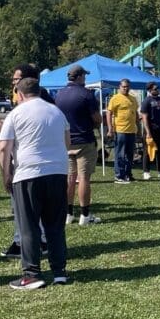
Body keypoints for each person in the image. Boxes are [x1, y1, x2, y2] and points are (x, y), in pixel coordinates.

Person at [0, 77, 70, 289]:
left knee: (29, 226)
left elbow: (4, 148)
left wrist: (6, 174)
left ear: (19, 94)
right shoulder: (56, 112)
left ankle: (31, 274)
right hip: (57, 172)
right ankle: (59, 271)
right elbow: (67, 142)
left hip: (28, 174)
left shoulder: (16, 114)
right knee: (55, 225)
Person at [55, 64, 103, 226]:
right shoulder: (87, 95)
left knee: (70, 178)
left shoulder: (59, 95)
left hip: (66, 141)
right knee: (83, 178)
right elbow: (97, 119)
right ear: (80, 76)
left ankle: (68, 214)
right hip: (84, 140)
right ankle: (85, 215)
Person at [106, 79, 139, 184]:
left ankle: (128, 175)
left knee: (130, 155)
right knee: (120, 154)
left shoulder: (133, 99)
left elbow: (136, 114)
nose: (126, 88)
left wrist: (138, 128)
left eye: (127, 86)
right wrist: (110, 129)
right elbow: (109, 113)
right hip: (120, 130)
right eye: (124, 86)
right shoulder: (115, 99)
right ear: (119, 87)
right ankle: (119, 176)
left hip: (131, 130)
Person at [139, 81, 160, 180]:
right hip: (151, 130)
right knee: (147, 151)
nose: (157, 90)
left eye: (158, 88)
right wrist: (148, 132)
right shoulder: (146, 101)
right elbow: (144, 117)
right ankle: (146, 172)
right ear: (150, 90)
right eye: (155, 89)